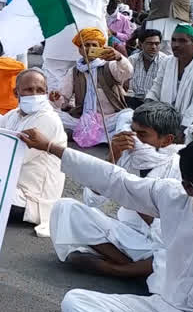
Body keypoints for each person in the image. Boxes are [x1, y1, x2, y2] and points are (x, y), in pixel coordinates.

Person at [18, 128, 193, 312]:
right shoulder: (172, 196)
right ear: (188, 188)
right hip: (163, 306)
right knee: (76, 302)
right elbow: (115, 180)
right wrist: (51, 147)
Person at [49, 101, 183, 289]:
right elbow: (92, 201)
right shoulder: (127, 155)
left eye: (142, 135)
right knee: (65, 208)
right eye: (132, 131)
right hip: (127, 235)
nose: (134, 139)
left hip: (159, 244)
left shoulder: (181, 168)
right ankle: (131, 267)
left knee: (175, 257)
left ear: (166, 140)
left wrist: (136, 198)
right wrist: (113, 158)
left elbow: (179, 228)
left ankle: (121, 270)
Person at [0, 68, 66, 237]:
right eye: (28, 90)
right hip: (11, 184)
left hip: (31, 198)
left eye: (40, 90)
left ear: (46, 93)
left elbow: (14, 158)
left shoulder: (47, 119)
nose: (35, 94)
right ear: (16, 92)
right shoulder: (13, 115)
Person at [50, 28, 133, 147]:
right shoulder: (74, 71)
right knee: (53, 114)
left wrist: (119, 57)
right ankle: (105, 137)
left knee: (128, 116)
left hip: (109, 119)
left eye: (94, 45)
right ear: (80, 49)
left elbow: (128, 73)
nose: (89, 48)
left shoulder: (110, 66)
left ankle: (111, 139)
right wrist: (56, 98)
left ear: (100, 47)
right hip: (83, 120)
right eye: (86, 45)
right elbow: (63, 98)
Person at [147, 24, 193, 128]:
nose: (175, 45)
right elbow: (156, 88)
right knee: (127, 116)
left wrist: (182, 128)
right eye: (173, 40)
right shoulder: (167, 61)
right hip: (166, 114)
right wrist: (147, 106)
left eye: (182, 41)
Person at [127, 29, 168, 109]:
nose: (153, 47)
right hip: (133, 101)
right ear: (140, 44)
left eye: (157, 44)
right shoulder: (132, 60)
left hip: (154, 105)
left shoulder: (165, 62)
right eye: (149, 43)